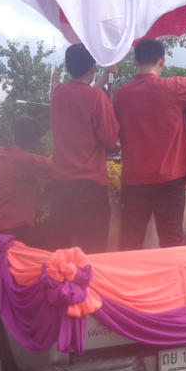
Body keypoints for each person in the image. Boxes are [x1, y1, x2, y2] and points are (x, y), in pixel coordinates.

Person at [113, 37, 186, 249]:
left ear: (135, 62)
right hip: (169, 181)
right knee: (171, 241)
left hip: (134, 182)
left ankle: (130, 281)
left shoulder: (121, 96)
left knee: (130, 241)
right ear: (162, 61)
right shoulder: (174, 87)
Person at [49, 43, 119, 253]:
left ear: (68, 67)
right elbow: (109, 139)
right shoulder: (98, 98)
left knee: (59, 253)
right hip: (90, 187)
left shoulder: (58, 94)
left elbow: (84, 94)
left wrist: (106, 75)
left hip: (60, 187)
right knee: (92, 254)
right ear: (92, 68)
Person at [0, 117, 54, 248]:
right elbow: (57, 169)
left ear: (14, 135)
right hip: (12, 231)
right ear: (34, 141)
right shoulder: (27, 161)